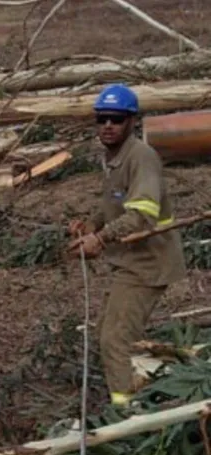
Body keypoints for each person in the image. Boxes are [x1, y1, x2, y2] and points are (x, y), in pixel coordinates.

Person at [66, 83, 186, 407]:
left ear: (132, 121)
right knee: (110, 330)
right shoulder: (115, 157)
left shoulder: (141, 157)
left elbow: (141, 215)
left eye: (116, 119)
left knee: (115, 339)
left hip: (149, 263)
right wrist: (91, 224)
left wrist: (100, 239)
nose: (108, 125)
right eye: (102, 119)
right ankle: (147, 381)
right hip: (132, 263)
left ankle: (126, 414)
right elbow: (114, 203)